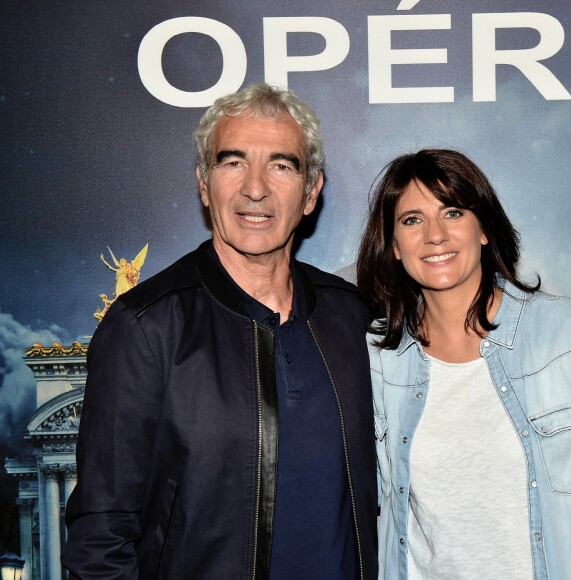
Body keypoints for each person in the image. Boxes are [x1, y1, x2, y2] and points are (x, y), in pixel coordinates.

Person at [62, 83, 378, 579]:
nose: (255, 187)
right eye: (233, 162)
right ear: (205, 185)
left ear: (311, 191)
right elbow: (101, 537)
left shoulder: (350, 316)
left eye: (281, 164)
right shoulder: (145, 328)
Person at [357, 149, 571, 580]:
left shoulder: (564, 334)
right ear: (394, 247)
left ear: (483, 230)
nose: (435, 235)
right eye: (412, 220)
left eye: (452, 212)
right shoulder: (378, 359)